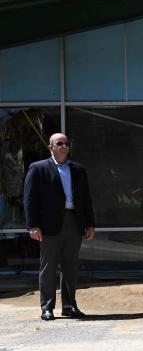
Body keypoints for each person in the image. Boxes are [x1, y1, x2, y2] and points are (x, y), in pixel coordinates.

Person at [23, 133, 96, 321]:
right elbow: (30, 200)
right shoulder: (38, 168)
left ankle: (69, 306)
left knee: (70, 266)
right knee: (48, 266)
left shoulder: (79, 170)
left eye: (66, 143)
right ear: (51, 148)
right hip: (49, 225)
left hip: (74, 221)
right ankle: (47, 307)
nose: (64, 146)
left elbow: (86, 199)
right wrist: (33, 225)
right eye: (59, 143)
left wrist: (90, 223)